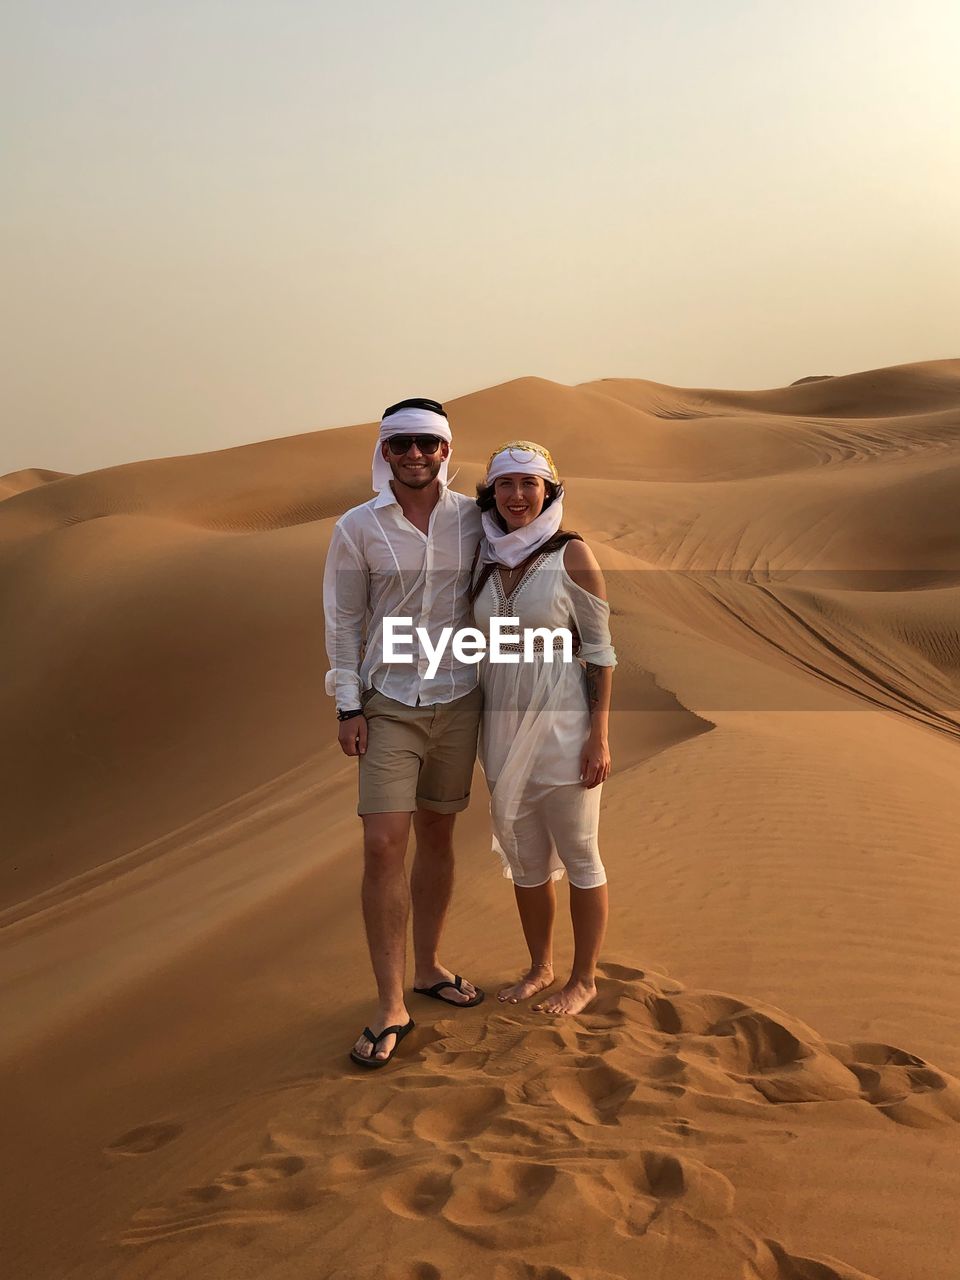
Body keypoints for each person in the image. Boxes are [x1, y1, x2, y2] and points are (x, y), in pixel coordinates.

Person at [323, 397, 485, 1068]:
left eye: (427, 443)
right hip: (388, 702)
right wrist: (347, 705)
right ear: (384, 452)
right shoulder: (357, 527)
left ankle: (428, 967)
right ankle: (391, 1003)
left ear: (446, 449)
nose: (415, 455)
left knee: (439, 832)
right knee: (385, 844)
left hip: (460, 699)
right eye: (401, 445)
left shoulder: (475, 520)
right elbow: (344, 619)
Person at [471, 441, 616, 1016]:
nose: (516, 495)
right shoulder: (483, 557)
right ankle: (540, 966)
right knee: (525, 858)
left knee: (580, 854)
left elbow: (602, 653)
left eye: (529, 483)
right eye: (505, 484)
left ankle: (584, 979)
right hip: (501, 730)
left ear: (549, 490)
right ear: (492, 493)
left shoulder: (571, 554)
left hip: (564, 726)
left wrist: (599, 736)